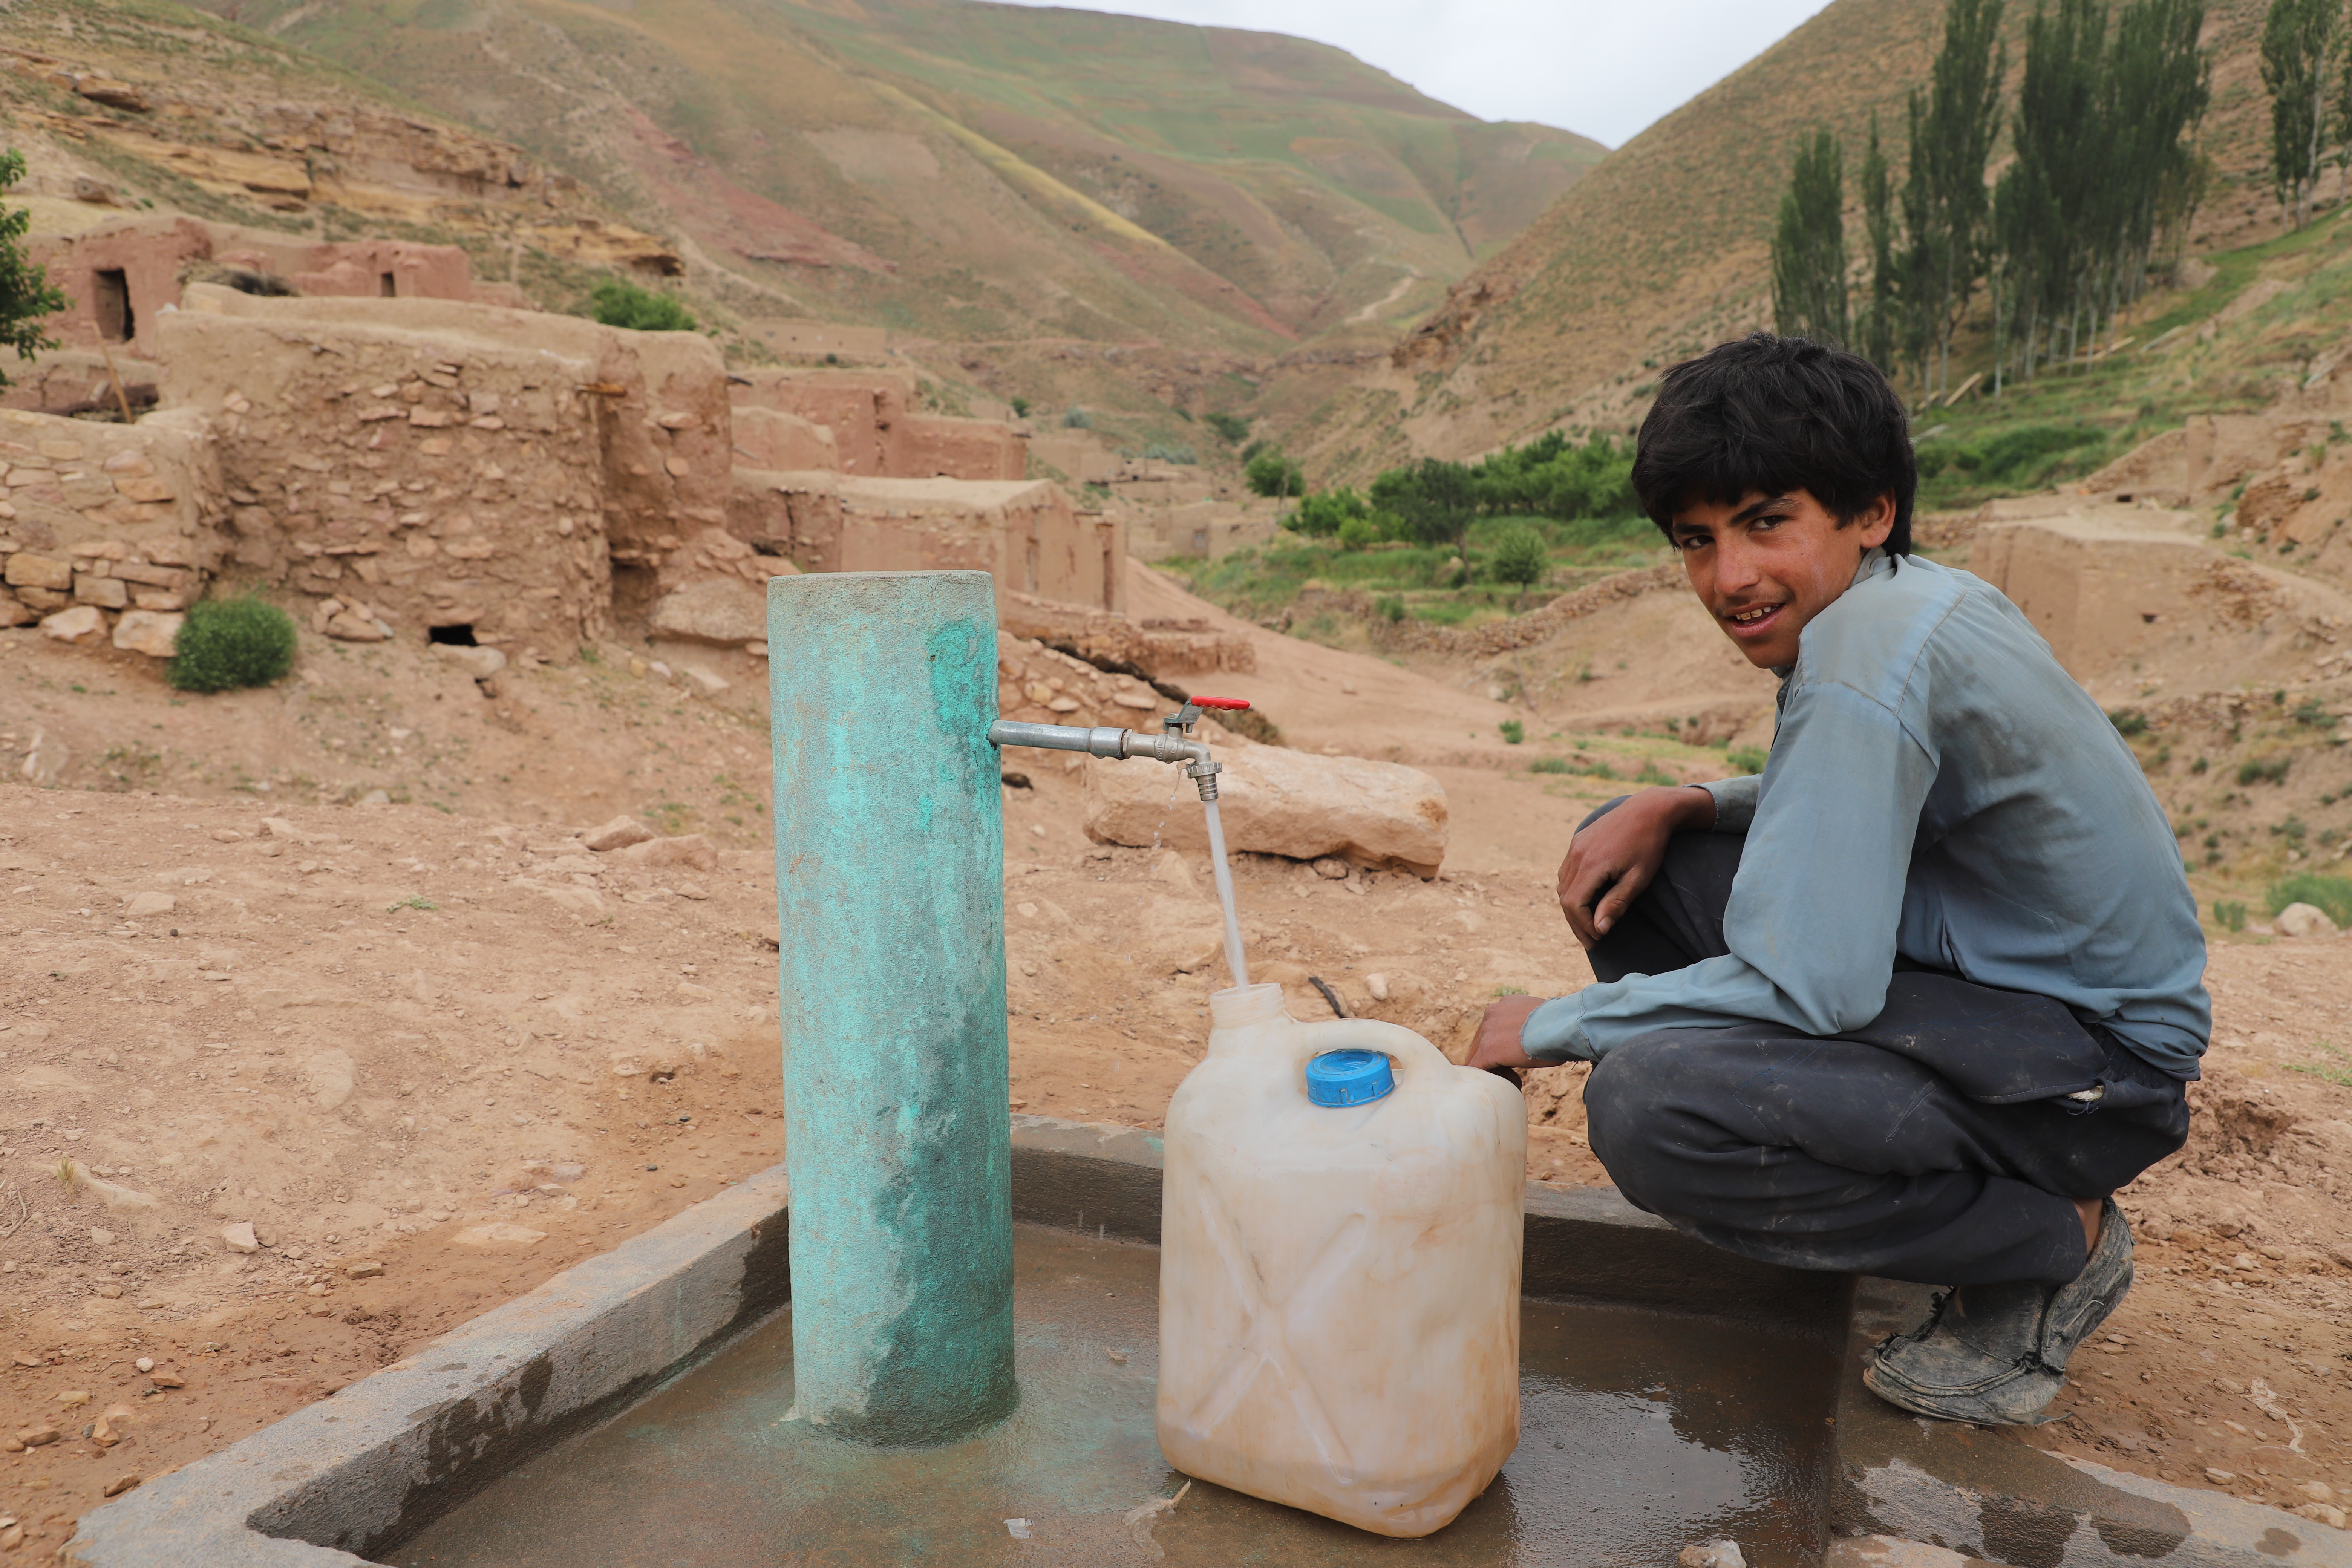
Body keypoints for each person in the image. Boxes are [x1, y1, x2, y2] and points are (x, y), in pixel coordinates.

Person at [1468, 333, 2207, 1425]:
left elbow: (1817, 987)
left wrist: (1555, 1024)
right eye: (1697, 539)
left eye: (1767, 522)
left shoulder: (1867, 650)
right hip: (2002, 995)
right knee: (1649, 861)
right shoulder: (1905, 600)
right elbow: (1847, 795)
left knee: (1648, 1106)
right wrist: (1686, 803)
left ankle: (2051, 1242)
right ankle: (1865, 1169)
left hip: (2094, 1077)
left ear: (1872, 509)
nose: (1729, 578)